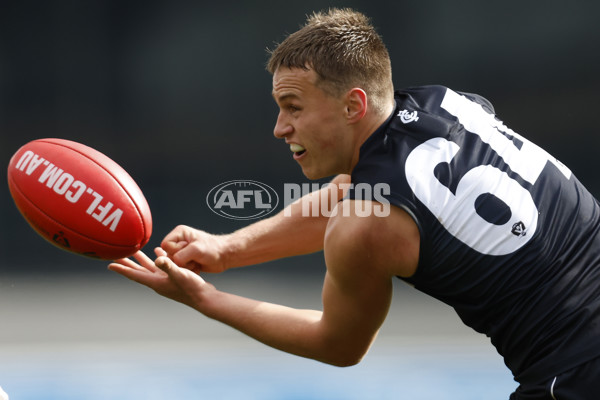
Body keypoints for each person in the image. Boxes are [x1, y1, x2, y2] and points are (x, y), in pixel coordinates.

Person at [108, 8, 600, 399]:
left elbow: (339, 345)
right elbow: (360, 192)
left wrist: (205, 300)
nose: (280, 128)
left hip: (578, 371)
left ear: (354, 106)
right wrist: (227, 249)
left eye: (293, 107)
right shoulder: (445, 102)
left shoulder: (365, 230)